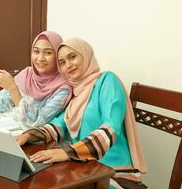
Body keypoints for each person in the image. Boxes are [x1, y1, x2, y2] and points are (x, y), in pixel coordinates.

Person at [17, 38, 147, 188]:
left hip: (114, 174)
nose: (68, 65)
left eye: (72, 57)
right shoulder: (76, 93)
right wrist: (28, 135)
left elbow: (111, 128)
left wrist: (68, 153)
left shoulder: (107, 80)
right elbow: (59, 124)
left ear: (85, 55)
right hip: (84, 170)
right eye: (62, 63)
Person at [0, 31, 72, 128]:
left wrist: (13, 88)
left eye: (48, 53)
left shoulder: (63, 88)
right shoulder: (27, 74)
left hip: (38, 141)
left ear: (58, 56)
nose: (40, 58)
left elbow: (36, 121)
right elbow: (4, 97)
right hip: (13, 132)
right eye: (36, 51)